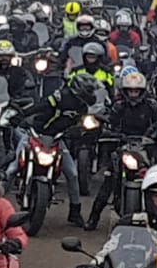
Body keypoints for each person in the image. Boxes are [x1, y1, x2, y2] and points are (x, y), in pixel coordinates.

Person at [28, 72, 104, 227]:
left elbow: (82, 125)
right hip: (35, 134)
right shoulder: (60, 97)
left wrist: (81, 130)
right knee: (12, 167)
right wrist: (22, 115)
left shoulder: (82, 106)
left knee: (72, 174)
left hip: (56, 139)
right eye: (88, 91)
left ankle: (75, 212)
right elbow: (40, 106)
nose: (90, 94)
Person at [87, 71, 157, 230]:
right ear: (125, 91)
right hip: (122, 146)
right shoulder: (119, 106)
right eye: (130, 91)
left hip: (145, 147)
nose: (133, 94)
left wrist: (153, 136)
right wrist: (109, 132)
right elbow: (111, 122)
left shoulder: (152, 106)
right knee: (110, 180)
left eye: (136, 91)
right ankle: (94, 218)